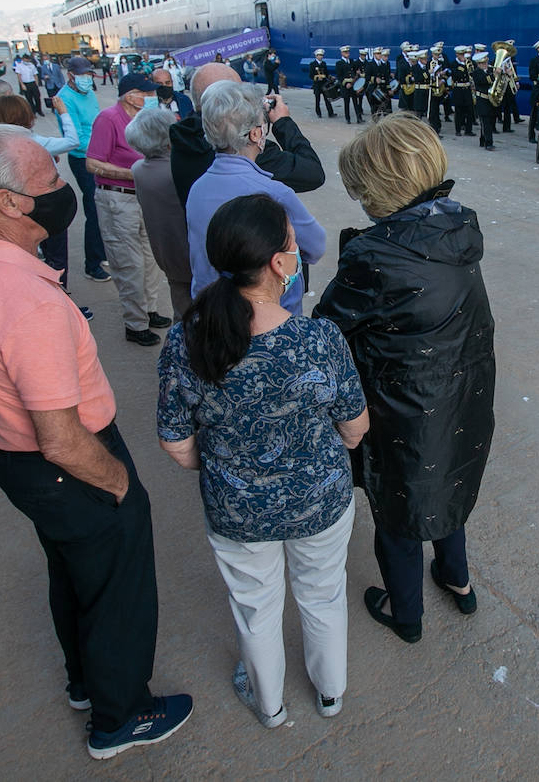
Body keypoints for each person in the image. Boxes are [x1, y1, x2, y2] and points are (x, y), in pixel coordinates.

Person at [0, 125, 191, 760]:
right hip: (68, 463)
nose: (61, 187)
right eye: (48, 182)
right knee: (118, 586)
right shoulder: (28, 302)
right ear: (9, 202)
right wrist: (120, 485)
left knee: (75, 573)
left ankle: (85, 681)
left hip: (15, 461)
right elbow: (60, 438)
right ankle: (121, 717)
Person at [157, 193, 368, 728]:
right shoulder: (318, 339)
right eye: (293, 243)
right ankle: (330, 693)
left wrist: (233, 468)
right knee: (323, 594)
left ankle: (269, 704)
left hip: (237, 510)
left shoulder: (187, 339)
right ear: (279, 262)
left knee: (255, 607)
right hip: (319, 501)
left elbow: (177, 444)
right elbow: (355, 429)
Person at [313, 113, 495, 644]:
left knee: (399, 509)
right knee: (447, 484)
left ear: (381, 188)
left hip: (404, 408)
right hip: (464, 397)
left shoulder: (378, 253)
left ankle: (406, 613)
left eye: (361, 191)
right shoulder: (458, 226)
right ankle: (457, 581)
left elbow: (327, 329)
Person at [185, 81, 326, 314]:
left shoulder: (198, 188)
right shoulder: (274, 193)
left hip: (211, 309)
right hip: (267, 314)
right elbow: (316, 246)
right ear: (256, 133)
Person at [169, 62, 326, 207]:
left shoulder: (183, 137)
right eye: (241, 95)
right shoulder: (243, 148)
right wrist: (283, 122)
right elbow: (313, 174)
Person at [87, 72, 170, 345]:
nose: (149, 98)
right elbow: (93, 163)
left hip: (143, 196)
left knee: (150, 258)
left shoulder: (144, 119)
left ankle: (149, 310)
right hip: (117, 198)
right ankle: (135, 324)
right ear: (129, 95)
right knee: (128, 262)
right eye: (144, 93)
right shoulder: (109, 119)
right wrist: (132, 172)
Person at [0, 94, 90, 321]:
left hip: (13, 209)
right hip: (41, 207)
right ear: (26, 114)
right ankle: (62, 304)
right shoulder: (33, 140)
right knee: (56, 258)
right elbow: (73, 141)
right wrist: (63, 112)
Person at [126, 106, 194, 319]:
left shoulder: (138, 170)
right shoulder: (177, 171)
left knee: (181, 309)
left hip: (166, 253)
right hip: (190, 253)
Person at [56, 56, 111, 284]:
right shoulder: (63, 99)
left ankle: (102, 251)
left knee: (103, 204)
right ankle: (92, 264)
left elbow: (96, 123)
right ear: (71, 75)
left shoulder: (87, 93)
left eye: (89, 75)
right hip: (83, 159)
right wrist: (103, 148)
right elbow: (76, 138)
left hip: (99, 153)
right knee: (93, 208)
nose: (87, 79)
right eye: (83, 75)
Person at [471, 51, 496, 151]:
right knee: (486, 122)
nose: (486, 65)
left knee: (487, 121)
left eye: (486, 62)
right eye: (484, 63)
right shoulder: (476, 72)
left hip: (490, 100)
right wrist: (495, 75)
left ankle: (482, 140)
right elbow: (484, 80)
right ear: (479, 64)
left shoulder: (489, 70)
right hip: (482, 100)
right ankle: (488, 143)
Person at [308, 48, 335, 118]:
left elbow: (326, 73)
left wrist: (330, 77)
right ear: (316, 56)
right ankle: (318, 113)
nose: (321, 56)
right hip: (317, 85)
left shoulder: (324, 63)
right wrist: (317, 77)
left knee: (327, 99)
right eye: (319, 55)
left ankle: (330, 113)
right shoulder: (312, 64)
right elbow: (311, 75)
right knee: (317, 100)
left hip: (324, 84)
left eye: (322, 55)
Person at [335, 45, 357, 124]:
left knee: (355, 101)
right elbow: (339, 76)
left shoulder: (352, 61)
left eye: (348, 52)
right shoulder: (339, 63)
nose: (347, 53)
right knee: (346, 102)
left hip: (353, 85)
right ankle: (348, 118)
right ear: (342, 53)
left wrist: (353, 81)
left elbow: (354, 72)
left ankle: (358, 117)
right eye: (345, 52)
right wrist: (346, 84)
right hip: (345, 86)